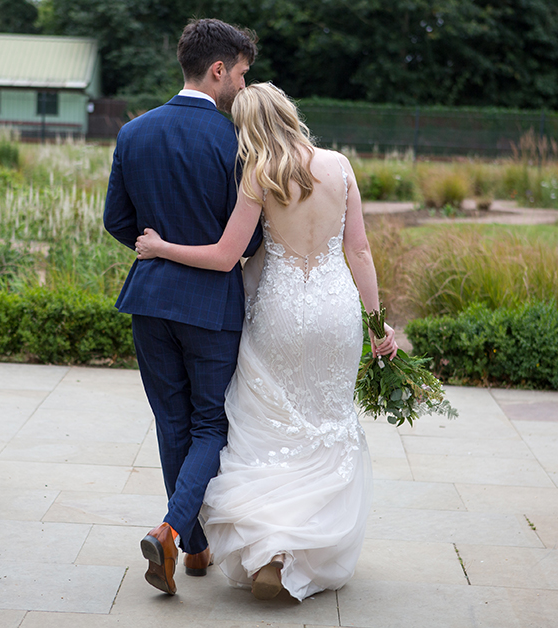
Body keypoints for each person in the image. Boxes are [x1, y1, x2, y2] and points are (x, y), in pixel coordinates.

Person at [134, 82, 398, 602]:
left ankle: (271, 552)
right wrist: (376, 323)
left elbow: (226, 255)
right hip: (334, 310)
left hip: (278, 312)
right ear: (289, 112)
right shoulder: (339, 165)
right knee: (324, 421)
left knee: (265, 424)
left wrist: (161, 245)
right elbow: (360, 251)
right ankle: (302, 551)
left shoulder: (258, 175)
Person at [103, 19, 262, 597]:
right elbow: (246, 243)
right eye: (242, 75)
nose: (244, 88)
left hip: (148, 299)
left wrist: (160, 253)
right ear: (218, 69)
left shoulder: (134, 132)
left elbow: (116, 221)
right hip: (211, 308)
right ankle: (171, 531)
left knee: (172, 424)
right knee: (209, 424)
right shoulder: (236, 142)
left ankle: (193, 551)